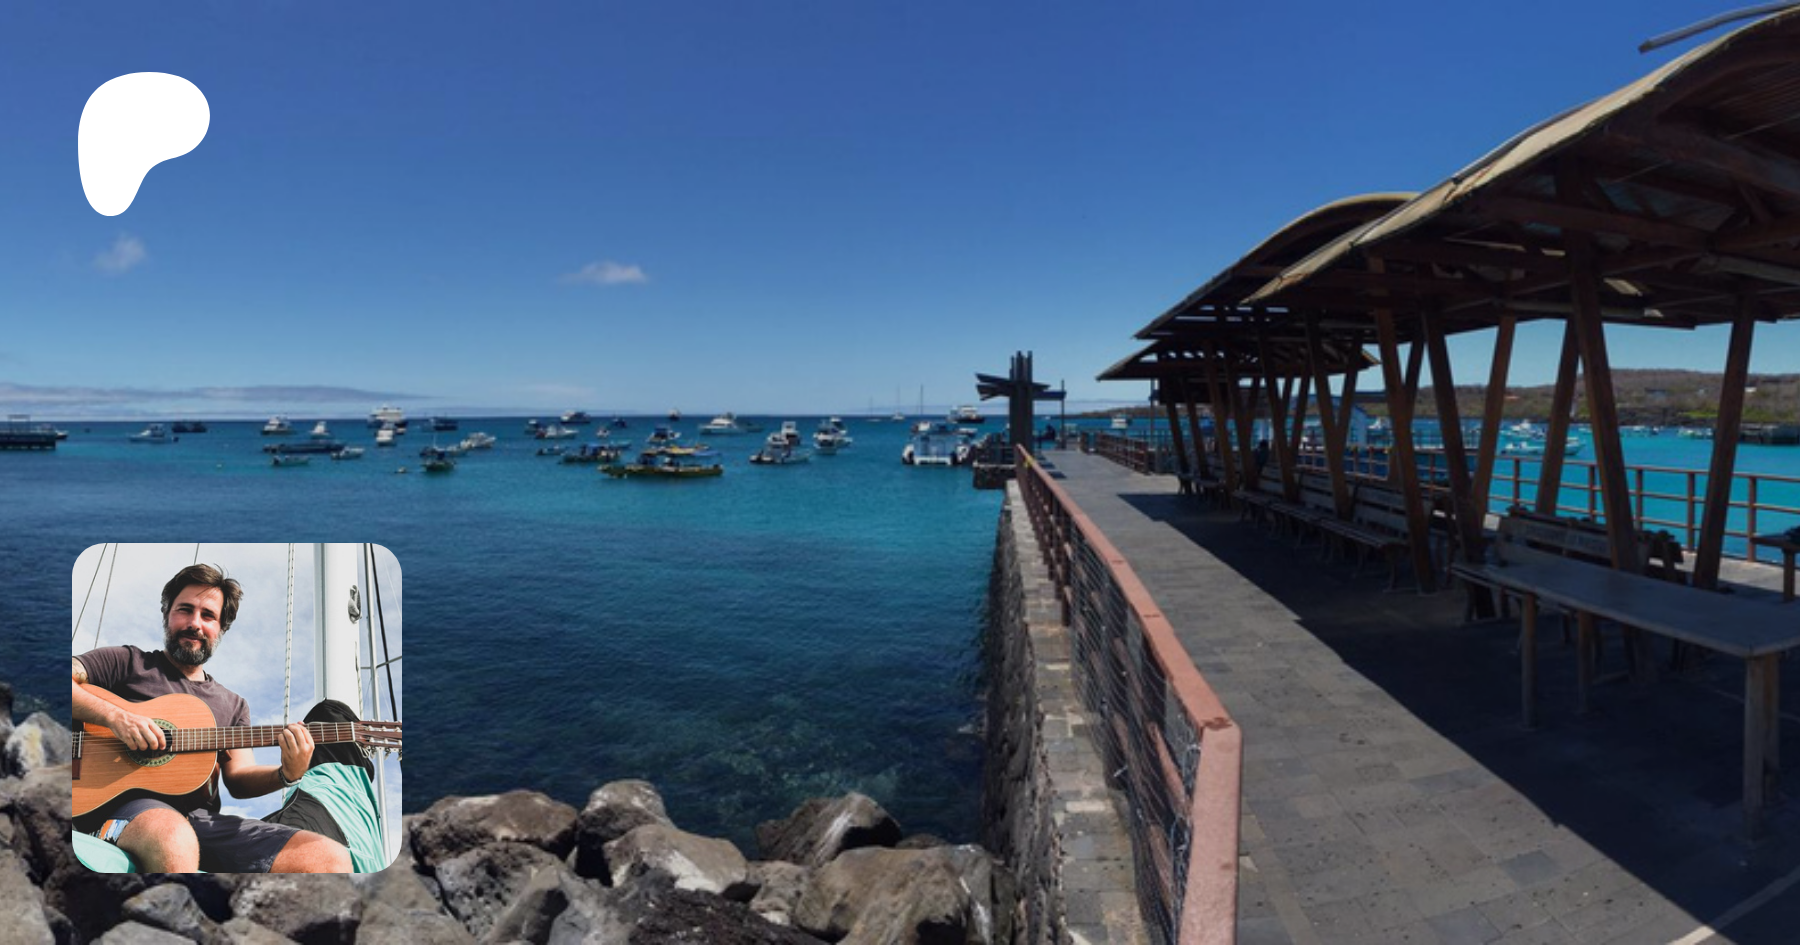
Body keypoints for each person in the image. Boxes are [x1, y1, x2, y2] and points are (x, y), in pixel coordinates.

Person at [71, 563, 353, 873]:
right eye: (185, 610)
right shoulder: (127, 662)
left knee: (328, 857)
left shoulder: (233, 705)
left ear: (221, 628)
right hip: (120, 810)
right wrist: (116, 717)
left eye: (208, 616)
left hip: (203, 823)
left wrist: (287, 773)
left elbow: (239, 779)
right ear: (167, 614)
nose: (195, 623)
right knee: (174, 837)